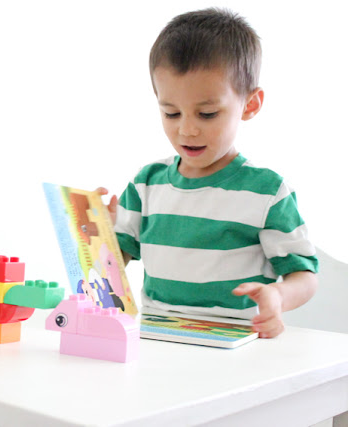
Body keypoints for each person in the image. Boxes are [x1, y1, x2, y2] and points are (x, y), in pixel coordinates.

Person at [100, 8, 318, 338]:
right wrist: (96, 235)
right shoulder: (146, 184)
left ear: (250, 104)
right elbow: (108, 268)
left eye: (207, 114)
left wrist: (278, 295)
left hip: (234, 341)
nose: (187, 130)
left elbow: (305, 276)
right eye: (171, 113)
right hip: (156, 337)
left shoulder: (266, 191)